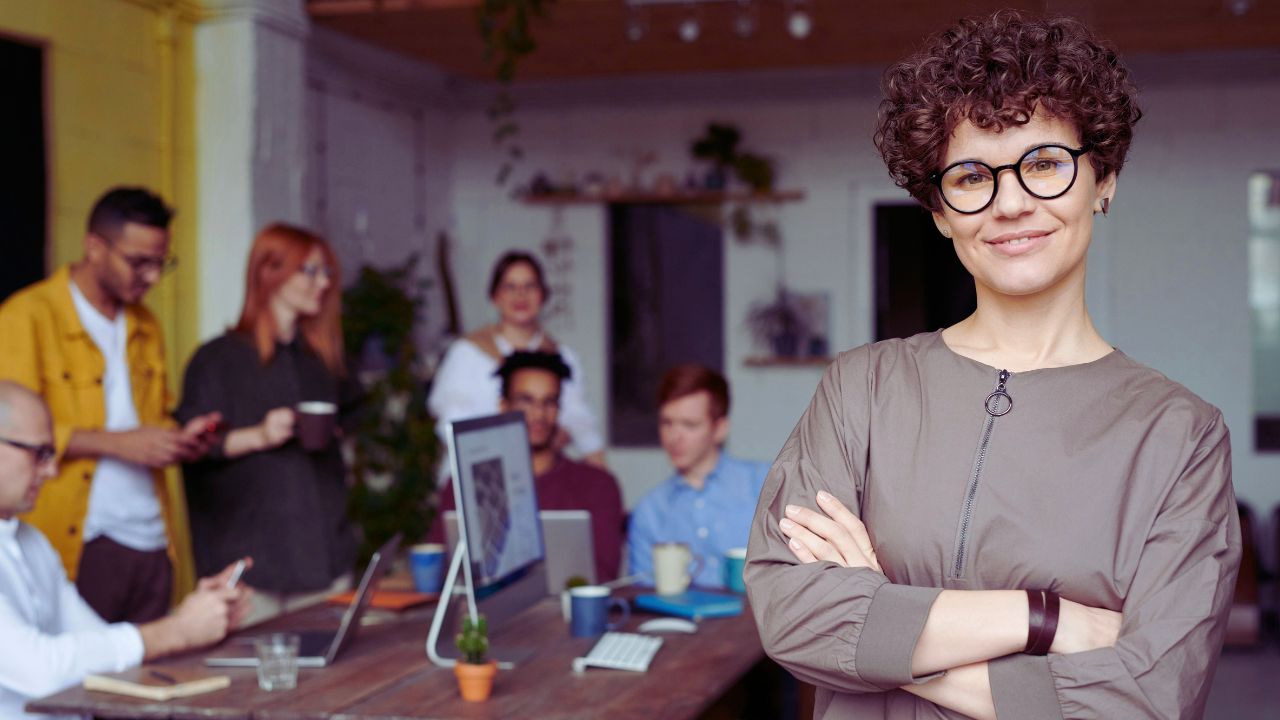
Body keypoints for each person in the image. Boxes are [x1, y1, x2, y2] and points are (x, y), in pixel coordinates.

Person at [744, 11, 1240, 720]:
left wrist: (881, 628)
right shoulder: (862, 390)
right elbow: (793, 616)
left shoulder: (1180, 434)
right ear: (941, 211)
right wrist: (1045, 619)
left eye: (1044, 164)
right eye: (973, 176)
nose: (1010, 204)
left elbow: (1148, 699)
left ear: (1103, 179)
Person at [0, 187, 221, 624]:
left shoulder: (146, 324)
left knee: (157, 661)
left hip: (153, 539)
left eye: (161, 263)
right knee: (87, 663)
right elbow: (11, 433)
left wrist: (180, 440)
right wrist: (121, 444)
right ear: (94, 248)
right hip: (82, 539)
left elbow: (152, 418)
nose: (152, 277)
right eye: (139, 262)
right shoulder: (26, 317)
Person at [0, 381, 251, 720]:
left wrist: (196, 619)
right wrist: (177, 631)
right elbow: (40, 670)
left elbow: (101, 643)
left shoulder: (32, 542)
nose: (52, 470)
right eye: (39, 453)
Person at [176, 223, 356, 623]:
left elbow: (353, 415)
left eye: (326, 272)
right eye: (310, 271)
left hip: (324, 557)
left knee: (333, 663)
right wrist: (259, 435)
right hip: (250, 566)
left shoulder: (323, 360)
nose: (323, 283)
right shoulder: (217, 359)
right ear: (269, 272)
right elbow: (192, 446)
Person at [429, 351, 625, 581]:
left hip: (566, 603)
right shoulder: (464, 485)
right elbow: (439, 572)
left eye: (549, 402)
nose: (538, 414)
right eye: (526, 401)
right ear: (504, 406)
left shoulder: (598, 485)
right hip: (488, 603)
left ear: (559, 409)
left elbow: (604, 575)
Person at [427, 251, 605, 469]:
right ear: (495, 297)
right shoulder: (467, 353)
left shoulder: (561, 357)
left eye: (530, 286)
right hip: (476, 468)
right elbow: (451, 422)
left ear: (543, 295)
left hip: (540, 473)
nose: (521, 295)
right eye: (510, 287)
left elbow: (579, 421)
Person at [628, 365, 768, 589]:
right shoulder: (650, 510)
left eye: (689, 425)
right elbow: (643, 595)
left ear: (720, 429)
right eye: (667, 423)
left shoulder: (764, 483)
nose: (674, 437)